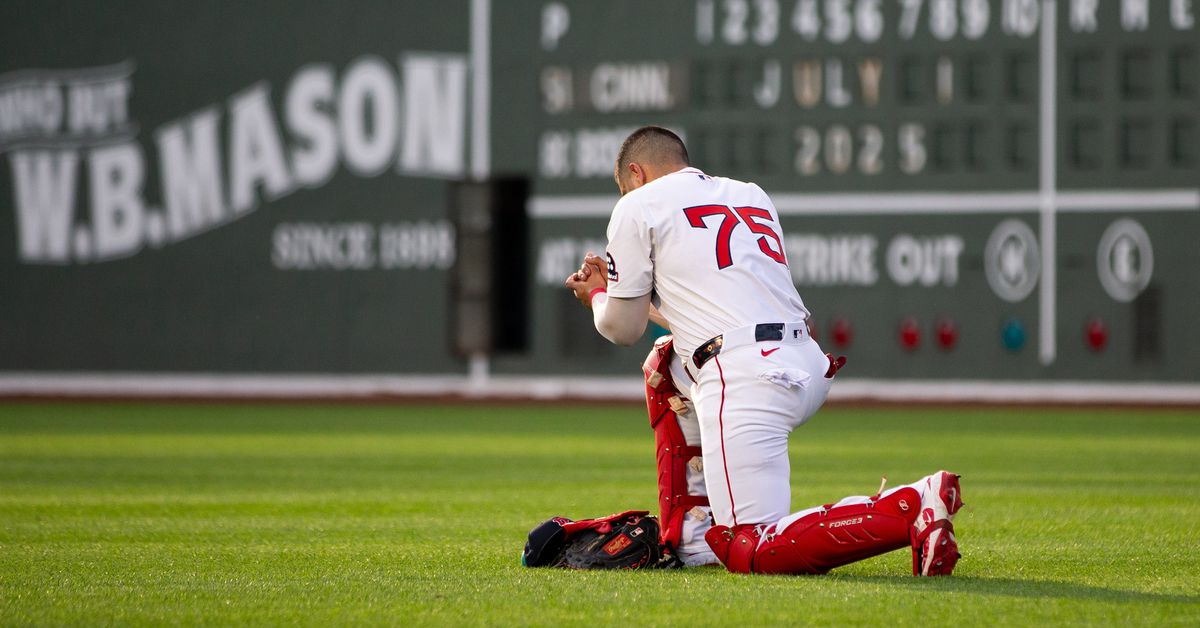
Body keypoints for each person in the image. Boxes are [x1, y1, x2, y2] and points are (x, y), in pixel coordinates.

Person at [564, 126, 963, 575]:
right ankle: (694, 538)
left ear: (635, 173)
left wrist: (599, 295)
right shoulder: (749, 194)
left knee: (751, 548)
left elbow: (621, 327)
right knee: (666, 363)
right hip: (804, 362)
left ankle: (911, 506)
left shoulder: (636, 203)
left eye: (624, 186)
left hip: (746, 377)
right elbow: (713, 313)